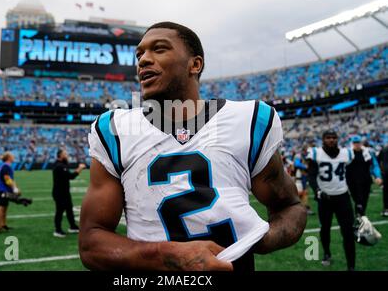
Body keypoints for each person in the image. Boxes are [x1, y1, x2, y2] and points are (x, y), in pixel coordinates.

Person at [79, 22, 307, 271]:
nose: (143, 60)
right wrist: (165, 256)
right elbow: (92, 243)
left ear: (195, 64)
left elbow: (290, 206)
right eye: (139, 54)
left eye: (159, 49)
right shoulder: (115, 130)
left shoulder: (247, 120)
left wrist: (264, 238)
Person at [306, 130, 355, 271]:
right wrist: (318, 191)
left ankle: (351, 265)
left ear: (337, 139)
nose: (331, 140)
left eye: (334, 137)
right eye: (328, 137)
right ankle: (327, 253)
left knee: (348, 233)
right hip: (325, 198)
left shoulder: (347, 154)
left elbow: (351, 175)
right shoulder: (316, 153)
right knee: (325, 228)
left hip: (343, 197)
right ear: (323, 139)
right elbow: (311, 175)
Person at [346, 135, 382, 217]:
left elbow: (374, 165)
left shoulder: (368, 153)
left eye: (358, 142)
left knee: (364, 201)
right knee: (359, 201)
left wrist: (377, 176)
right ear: (352, 143)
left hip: (366, 180)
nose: (356, 144)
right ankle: (360, 218)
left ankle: (360, 218)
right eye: (354, 143)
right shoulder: (348, 154)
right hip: (352, 181)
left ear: (361, 143)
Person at [0, 152, 31, 233]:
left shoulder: (6, 166)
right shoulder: (6, 166)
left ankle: (3, 225)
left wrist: (16, 187)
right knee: (1, 207)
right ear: (8, 158)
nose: (14, 157)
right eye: (12, 156)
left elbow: (10, 179)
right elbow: (6, 178)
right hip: (1, 190)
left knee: (4, 207)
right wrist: (14, 189)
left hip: (3, 189)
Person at [52, 149, 86, 238]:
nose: (67, 156)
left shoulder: (62, 165)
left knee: (69, 209)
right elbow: (71, 176)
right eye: (65, 154)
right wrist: (80, 168)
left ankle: (73, 226)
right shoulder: (59, 166)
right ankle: (57, 230)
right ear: (60, 155)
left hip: (64, 192)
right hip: (60, 193)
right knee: (59, 211)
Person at [378, 144, 388, 216]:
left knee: (386, 192)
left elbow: (378, 160)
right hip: (385, 172)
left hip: (385, 172)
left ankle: (386, 209)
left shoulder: (384, 148)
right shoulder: (384, 149)